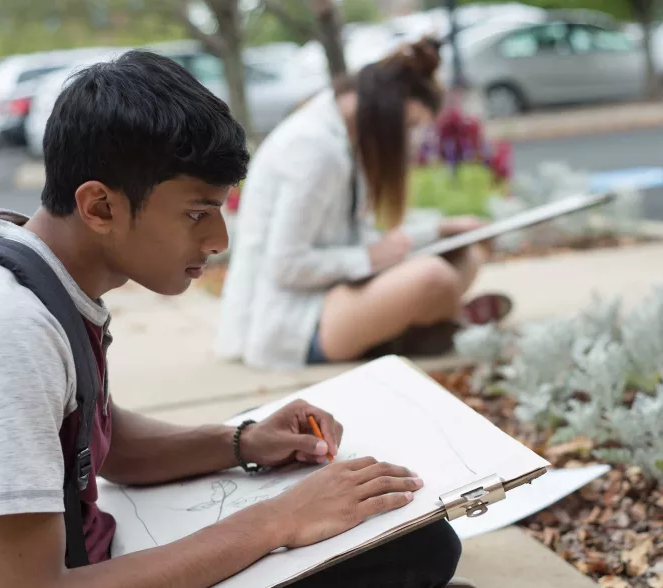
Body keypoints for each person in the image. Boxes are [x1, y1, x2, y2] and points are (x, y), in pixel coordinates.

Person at [0, 50, 479, 588]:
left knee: (360, 519)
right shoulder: (2, 332)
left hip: (81, 579)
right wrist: (277, 521)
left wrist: (245, 441)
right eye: (198, 212)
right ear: (100, 205)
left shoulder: (24, 271)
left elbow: (105, 439)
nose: (221, 237)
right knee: (418, 548)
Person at [216, 37, 511, 371]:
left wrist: (438, 231)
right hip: (291, 321)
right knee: (434, 277)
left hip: (333, 295)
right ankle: (437, 322)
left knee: (465, 251)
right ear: (386, 108)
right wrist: (368, 257)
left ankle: (429, 324)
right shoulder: (314, 150)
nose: (411, 138)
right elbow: (284, 266)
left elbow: (349, 235)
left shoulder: (344, 132)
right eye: (411, 124)